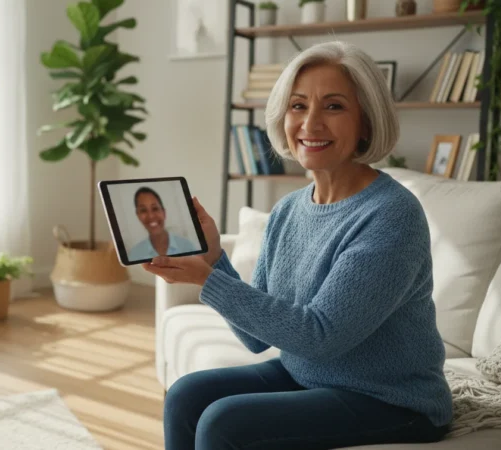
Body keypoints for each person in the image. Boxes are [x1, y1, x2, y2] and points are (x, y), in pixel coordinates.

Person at [144, 41, 453, 450]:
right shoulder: (289, 209)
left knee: (224, 423)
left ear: (366, 121)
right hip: (309, 375)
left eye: (334, 106)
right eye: (297, 105)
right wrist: (215, 261)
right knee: (186, 397)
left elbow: (320, 336)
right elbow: (256, 339)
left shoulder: (392, 215)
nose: (310, 123)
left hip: (391, 400)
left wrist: (210, 281)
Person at [128, 187, 198, 262]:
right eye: (143, 210)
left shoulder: (187, 246)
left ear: (164, 213)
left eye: (155, 208)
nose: (151, 216)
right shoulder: (134, 255)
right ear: (138, 216)